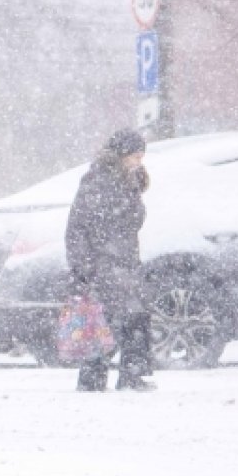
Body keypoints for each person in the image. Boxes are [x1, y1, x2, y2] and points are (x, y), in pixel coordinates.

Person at [64, 128, 156, 392]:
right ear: (121, 154)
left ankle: (130, 376)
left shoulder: (127, 181)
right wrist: (84, 267)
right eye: (135, 156)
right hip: (103, 265)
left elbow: (131, 222)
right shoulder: (98, 181)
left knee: (132, 320)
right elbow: (78, 228)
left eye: (141, 157)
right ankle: (96, 379)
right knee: (107, 324)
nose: (139, 161)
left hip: (125, 262)